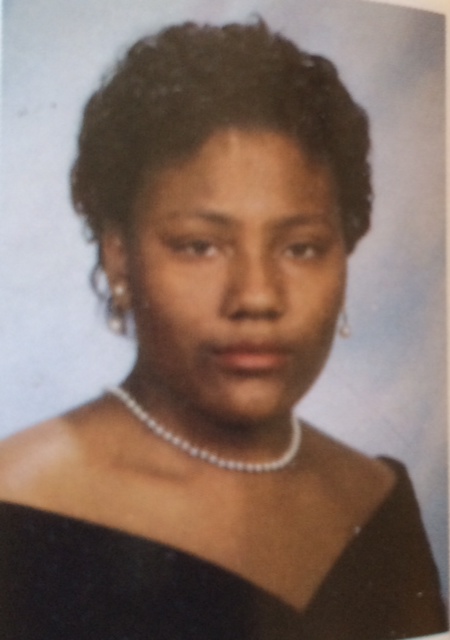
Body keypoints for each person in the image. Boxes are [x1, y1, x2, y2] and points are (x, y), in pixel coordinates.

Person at [0, 19, 447, 640]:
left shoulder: (376, 499)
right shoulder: (19, 501)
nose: (257, 297)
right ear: (120, 260)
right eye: (200, 246)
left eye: (300, 248)